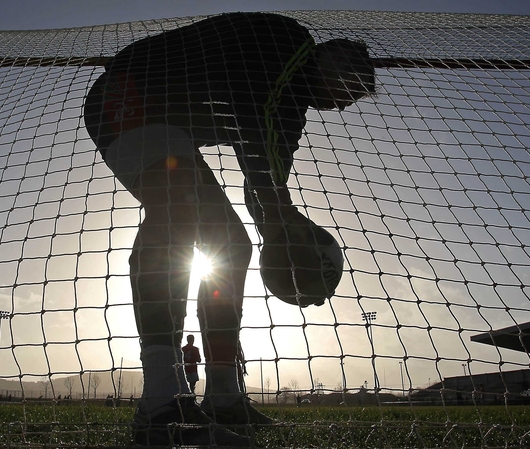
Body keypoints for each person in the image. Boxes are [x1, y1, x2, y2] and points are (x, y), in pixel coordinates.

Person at [84, 11, 375, 447]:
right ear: (331, 58)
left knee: (233, 246)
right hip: (128, 95)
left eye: (350, 101)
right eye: (348, 88)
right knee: (177, 218)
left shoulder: (291, 108)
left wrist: (281, 231)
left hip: (166, 125)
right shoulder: (284, 42)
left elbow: (266, 181)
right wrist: (283, 223)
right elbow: (253, 120)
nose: (341, 104)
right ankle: (161, 405)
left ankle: (223, 395)